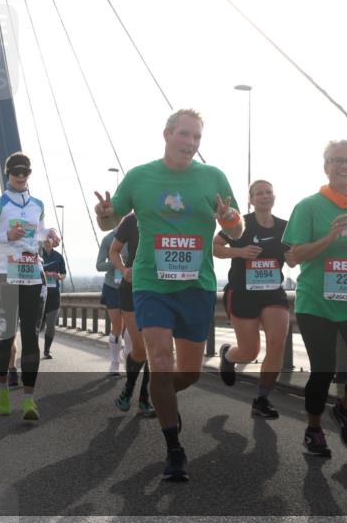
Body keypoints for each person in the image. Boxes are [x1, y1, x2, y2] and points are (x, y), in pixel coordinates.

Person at [94, 109, 243, 482]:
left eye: (197, 138)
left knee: (188, 373)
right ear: (167, 134)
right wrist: (103, 214)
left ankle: (163, 397)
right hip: (150, 283)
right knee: (160, 358)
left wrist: (228, 221)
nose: (191, 144)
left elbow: (237, 230)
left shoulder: (214, 177)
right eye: (184, 135)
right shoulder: (141, 176)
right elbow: (112, 221)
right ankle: (173, 448)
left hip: (196, 285)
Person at [283, 140, 347, 457]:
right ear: (325, 165)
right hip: (317, 301)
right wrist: (328, 238)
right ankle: (314, 429)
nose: (345, 166)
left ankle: (344, 409)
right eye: (338, 160)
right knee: (323, 370)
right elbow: (292, 257)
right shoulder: (308, 206)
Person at [0, 152, 60, 421]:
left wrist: (51, 235)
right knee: (6, 337)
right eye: (16, 172)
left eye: (25, 172)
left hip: (32, 274)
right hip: (3, 276)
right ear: (7, 173)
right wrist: (5, 235)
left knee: (32, 336)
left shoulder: (38, 205)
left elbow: (40, 231)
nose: (21, 177)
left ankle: (29, 401)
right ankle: (2, 392)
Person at [213, 180, 290, 419]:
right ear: (251, 199)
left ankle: (262, 399)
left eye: (269, 192)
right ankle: (228, 355)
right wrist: (239, 252)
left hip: (273, 292)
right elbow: (215, 247)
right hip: (243, 292)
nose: (265, 196)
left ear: (274, 196)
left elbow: (295, 254)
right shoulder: (239, 224)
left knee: (277, 343)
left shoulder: (286, 227)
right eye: (259, 193)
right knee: (249, 351)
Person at [109, 212, 154, 417]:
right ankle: (128, 390)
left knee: (156, 349)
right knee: (141, 348)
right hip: (133, 288)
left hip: (163, 290)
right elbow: (114, 251)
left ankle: (144, 397)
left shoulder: (175, 215)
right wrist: (123, 269)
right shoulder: (132, 220)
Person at [97, 228, 125, 374]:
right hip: (112, 286)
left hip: (131, 286)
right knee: (117, 326)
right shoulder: (108, 239)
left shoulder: (138, 233)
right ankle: (114, 362)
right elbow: (99, 265)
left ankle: (128, 357)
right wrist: (115, 263)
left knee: (131, 330)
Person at [39, 237, 67, 360]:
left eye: (49, 240)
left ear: (53, 242)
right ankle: (33, 349)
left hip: (54, 295)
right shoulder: (37, 254)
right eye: (44, 240)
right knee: (38, 326)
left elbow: (64, 274)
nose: (47, 242)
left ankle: (46, 350)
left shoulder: (58, 257)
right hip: (38, 294)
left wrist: (58, 276)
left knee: (51, 325)